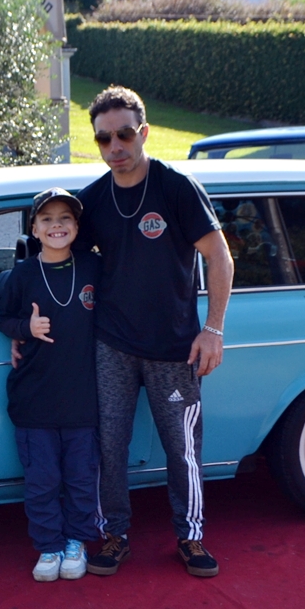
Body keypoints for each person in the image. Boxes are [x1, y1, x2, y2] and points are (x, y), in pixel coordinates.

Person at [75, 86, 234, 578]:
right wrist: (22, 322)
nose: (115, 147)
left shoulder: (176, 187)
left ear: (143, 132)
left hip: (175, 347)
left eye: (124, 134)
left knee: (182, 450)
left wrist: (213, 329)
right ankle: (114, 534)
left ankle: (190, 536)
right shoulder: (91, 201)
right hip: (112, 344)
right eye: (104, 139)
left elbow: (219, 257)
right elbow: (60, 262)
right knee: (109, 445)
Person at [0, 188, 104, 582]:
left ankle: (76, 541)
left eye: (65, 218)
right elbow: (3, 319)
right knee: (41, 480)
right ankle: (49, 545)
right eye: (47, 219)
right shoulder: (22, 274)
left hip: (83, 398)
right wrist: (26, 328)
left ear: (77, 227)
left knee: (81, 479)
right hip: (35, 398)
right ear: (34, 229)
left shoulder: (93, 268)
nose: (56, 226)